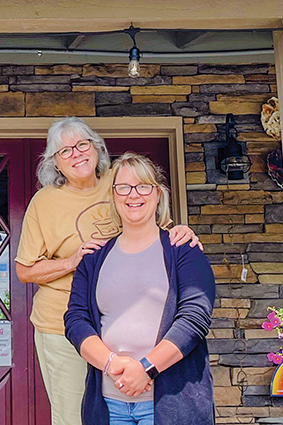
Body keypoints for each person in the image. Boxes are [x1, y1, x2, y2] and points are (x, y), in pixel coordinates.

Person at [15, 118, 201, 425]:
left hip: (128, 321)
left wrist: (180, 231)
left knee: (138, 410)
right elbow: (24, 270)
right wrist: (70, 261)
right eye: (65, 151)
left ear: (97, 147)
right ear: (55, 163)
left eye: (82, 144)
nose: (76, 154)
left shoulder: (118, 179)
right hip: (66, 327)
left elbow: (149, 218)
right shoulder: (44, 203)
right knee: (75, 415)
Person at [64, 152, 216, 425]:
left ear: (158, 194)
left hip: (172, 404)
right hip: (108, 406)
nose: (133, 195)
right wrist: (112, 364)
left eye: (143, 186)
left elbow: (194, 319)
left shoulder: (183, 250)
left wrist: (146, 369)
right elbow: (76, 321)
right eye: (123, 187)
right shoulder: (93, 258)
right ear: (113, 195)